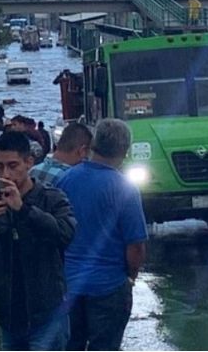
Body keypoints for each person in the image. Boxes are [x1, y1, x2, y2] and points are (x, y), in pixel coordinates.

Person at [0, 132, 77, 351]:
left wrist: (23, 210)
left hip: (46, 314)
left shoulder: (51, 198)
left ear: (29, 162)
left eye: (12, 165)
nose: (6, 173)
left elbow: (64, 234)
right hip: (9, 316)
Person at [56, 119, 148, 351]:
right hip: (109, 286)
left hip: (69, 284)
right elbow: (135, 246)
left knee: (71, 345)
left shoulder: (65, 179)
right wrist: (131, 277)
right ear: (125, 151)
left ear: (93, 145)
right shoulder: (125, 188)